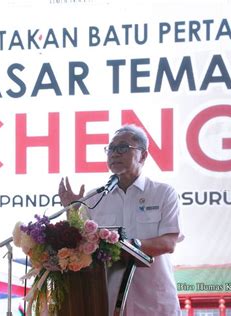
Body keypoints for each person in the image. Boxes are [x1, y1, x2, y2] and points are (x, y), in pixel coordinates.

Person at [58, 124, 183, 316]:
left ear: (143, 155)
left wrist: (130, 246)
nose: (114, 153)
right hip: (105, 302)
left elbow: (169, 242)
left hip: (153, 303)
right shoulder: (94, 198)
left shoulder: (163, 193)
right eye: (111, 149)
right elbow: (80, 246)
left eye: (122, 147)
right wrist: (72, 211)